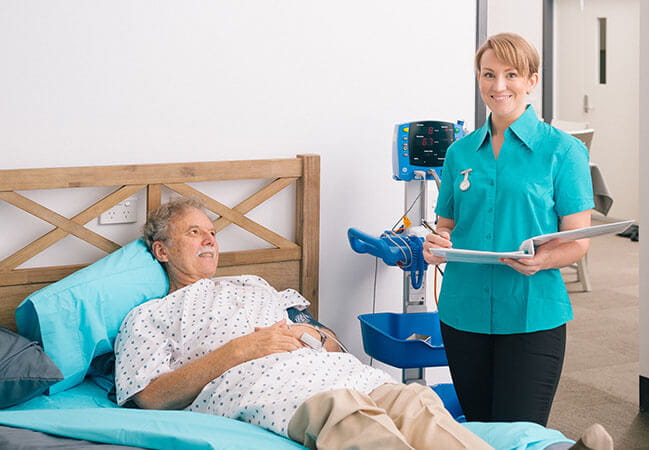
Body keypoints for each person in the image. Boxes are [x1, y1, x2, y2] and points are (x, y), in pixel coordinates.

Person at [114, 198, 494, 450]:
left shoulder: (255, 286)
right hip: (281, 394)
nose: (210, 239)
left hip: (338, 373)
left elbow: (332, 344)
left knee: (416, 403)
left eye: (213, 232)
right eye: (194, 232)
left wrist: (306, 333)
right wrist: (240, 350)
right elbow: (148, 397)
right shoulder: (148, 316)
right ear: (161, 250)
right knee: (352, 418)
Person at [422, 33, 595, 427]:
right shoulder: (459, 153)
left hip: (532, 311)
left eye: (511, 74)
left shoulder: (563, 152)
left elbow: (578, 240)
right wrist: (435, 244)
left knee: (520, 431)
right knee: (482, 430)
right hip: (463, 312)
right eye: (488, 74)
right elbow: (446, 226)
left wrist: (544, 259)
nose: (498, 86)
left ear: (531, 80)